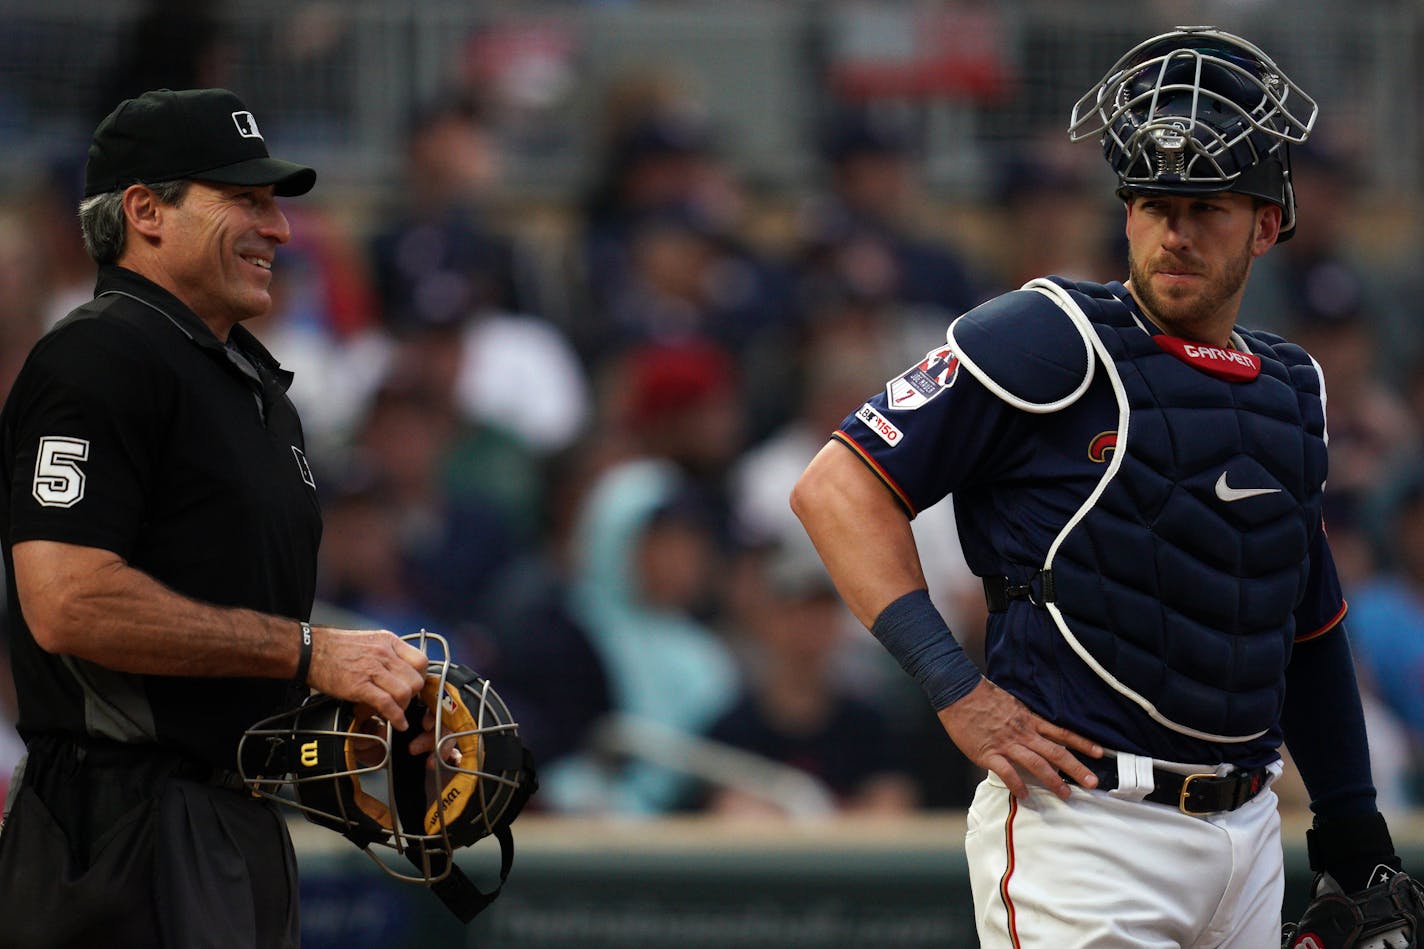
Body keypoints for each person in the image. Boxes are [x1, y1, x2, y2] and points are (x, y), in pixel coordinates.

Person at [791, 27, 1420, 946]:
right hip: (1087, 827)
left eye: (1207, 205)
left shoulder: (1295, 385)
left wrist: (1353, 822)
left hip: (1250, 833)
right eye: (1156, 200)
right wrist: (953, 685)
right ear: (1124, 208)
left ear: (1266, 222)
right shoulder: (1050, 334)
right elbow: (837, 487)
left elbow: (1306, 616)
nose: (1176, 229)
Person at [0, 88, 432, 948]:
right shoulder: (97, 355)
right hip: (121, 831)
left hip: (234, 821)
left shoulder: (252, 384)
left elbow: (226, 662)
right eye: (246, 198)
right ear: (145, 210)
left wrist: (369, 719)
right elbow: (67, 601)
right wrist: (309, 653)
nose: (278, 228)